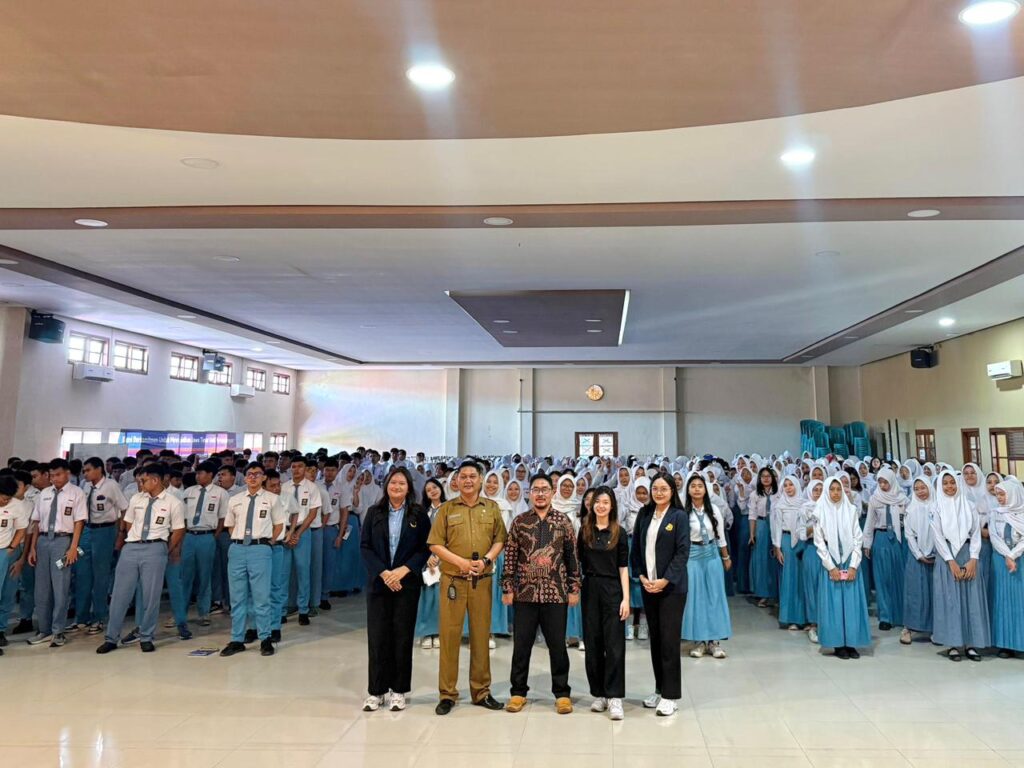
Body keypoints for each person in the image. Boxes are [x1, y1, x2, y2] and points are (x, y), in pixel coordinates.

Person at [427, 460, 507, 715]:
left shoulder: (491, 508)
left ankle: (481, 691)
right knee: (449, 637)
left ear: (480, 479)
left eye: (473, 476)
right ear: (456, 481)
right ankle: (447, 694)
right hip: (453, 582)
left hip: (481, 582)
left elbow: (500, 539)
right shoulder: (447, 509)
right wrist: (460, 562)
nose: (468, 480)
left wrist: (486, 561)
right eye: (463, 477)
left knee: (481, 637)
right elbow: (435, 544)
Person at [501, 472, 581, 715]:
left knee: (557, 646)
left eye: (545, 489)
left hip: (555, 593)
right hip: (525, 593)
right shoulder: (520, 522)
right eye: (536, 489)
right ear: (530, 493)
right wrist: (507, 587)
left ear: (552, 492)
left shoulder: (563, 522)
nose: (540, 494)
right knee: (521, 645)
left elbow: (572, 557)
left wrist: (574, 587)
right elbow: (511, 556)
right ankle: (518, 692)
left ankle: (562, 693)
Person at [360, 467, 431, 712]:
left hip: (406, 583)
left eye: (402, 483)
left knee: (402, 636)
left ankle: (398, 690)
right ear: (386, 485)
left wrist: (404, 570)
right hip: (379, 583)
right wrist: (384, 572)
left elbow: (425, 547)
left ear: (409, 487)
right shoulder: (374, 512)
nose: (397, 487)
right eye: (393, 482)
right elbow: (365, 547)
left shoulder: (418, 514)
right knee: (377, 636)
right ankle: (376, 690)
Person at [96, 465, 186, 654]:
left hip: (156, 547)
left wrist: (165, 549)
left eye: (143, 480)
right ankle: (111, 637)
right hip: (132, 547)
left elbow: (178, 529)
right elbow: (128, 522)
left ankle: (146, 636)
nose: (140, 484)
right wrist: (134, 539)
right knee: (120, 594)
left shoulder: (173, 502)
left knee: (151, 596)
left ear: (155, 480)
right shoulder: (137, 498)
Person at [630, 471, 689, 717]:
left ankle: (671, 695)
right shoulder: (644, 514)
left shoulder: (679, 516)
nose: (658, 493)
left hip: (671, 589)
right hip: (649, 586)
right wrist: (643, 577)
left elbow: (682, 552)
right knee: (655, 640)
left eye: (664, 489)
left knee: (669, 641)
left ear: (672, 491)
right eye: (655, 488)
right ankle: (659, 688)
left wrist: (665, 580)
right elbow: (636, 549)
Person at [218, 463, 287, 657]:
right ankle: (237, 639)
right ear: (245, 477)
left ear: (264, 477)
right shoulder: (235, 499)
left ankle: (265, 638)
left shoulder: (272, 499)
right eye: (249, 474)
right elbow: (230, 525)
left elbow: (279, 524)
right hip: (238, 549)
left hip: (260, 548)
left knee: (261, 596)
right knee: (237, 597)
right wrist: (240, 539)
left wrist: (268, 542)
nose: (253, 477)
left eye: (257, 474)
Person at [577, 486, 629, 720]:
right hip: (590, 589)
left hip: (613, 589)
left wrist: (626, 599)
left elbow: (623, 568)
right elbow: (578, 562)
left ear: (612, 506)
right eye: (597, 501)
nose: (601, 506)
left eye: (605, 502)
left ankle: (615, 696)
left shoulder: (619, 532)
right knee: (593, 643)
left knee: (614, 644)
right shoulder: (584, 531)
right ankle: (599, 693)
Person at [27, 458, 87, 647]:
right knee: (41, 588)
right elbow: (36, 522)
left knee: (60, 587)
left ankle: (58, 631)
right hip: (43, 541)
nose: (55, 479)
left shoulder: (76, 493)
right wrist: (32, 548)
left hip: (63, 541)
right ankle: (44, 629)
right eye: (51, 475)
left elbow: (79, 522)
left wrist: (73, 547)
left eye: (58, 474)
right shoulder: (44, 493)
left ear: (67, 473)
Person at [931, 470, 990, 661]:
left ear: (958, 484)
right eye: (945, 483)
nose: (949, 486)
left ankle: (971, 644)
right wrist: (950, 561)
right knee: (951, 600)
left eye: (952, 483)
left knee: (971, 599)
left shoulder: (969, 505)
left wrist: (973, 559)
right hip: (947, 557)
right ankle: (954, 644)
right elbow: (938, 537)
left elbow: (975, 534)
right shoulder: (936, 508)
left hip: (968, 554)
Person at [813, 476, 870, 659]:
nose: (836, 493)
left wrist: (853, 566)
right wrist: (831, 567)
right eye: (832, 489)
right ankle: (838, 645)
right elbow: (819, 542)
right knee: (834, 604)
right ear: (826, 491)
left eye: (839, 489)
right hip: (831, 563)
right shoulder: (819, 511)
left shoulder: (850, 510)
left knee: (851, 604)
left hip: (850, 561)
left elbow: (858, 539)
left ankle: (851, 643)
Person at [73, 457, 129, 635]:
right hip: (86, 531)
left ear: (99, 469)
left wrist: (121, 533)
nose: (85, 473)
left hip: (105, 531)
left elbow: (124, 509)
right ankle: (81, 618)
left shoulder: (111, 486)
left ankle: (99, 617)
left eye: (88, 470)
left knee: (100, 576)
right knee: (82, 574)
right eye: (84, 470)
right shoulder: (85, 485)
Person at [681, 474, 731, 659]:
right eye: (693, 486)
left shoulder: (714, 509)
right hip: (692, 557)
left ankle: (714, 642)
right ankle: (700, 641)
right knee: (696, 599)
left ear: (706, 489)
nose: (696, 489)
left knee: (714, 597)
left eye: (700, 486)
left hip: (711, 556)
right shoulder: (683, 512)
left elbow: (720, 536)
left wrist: (725, 557)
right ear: (688, 490)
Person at [176, 459, 229, 631]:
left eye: (200, 473)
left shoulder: (221, 493)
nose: (197, 476)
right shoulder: (188, 492)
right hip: (189, 536)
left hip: (207, 535)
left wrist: (215, 536)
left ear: (210, 475)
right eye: (197, 473)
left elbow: (223, 517)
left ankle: (204, 612)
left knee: (205, 574)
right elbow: (181, 516)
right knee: (185, 575)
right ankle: (180, 612)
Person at [863, 467, 908, 632]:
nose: (882, 485)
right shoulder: (875, 499)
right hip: (881, 538)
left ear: (892, 481)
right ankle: (885, 617)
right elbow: (869, 522)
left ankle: (901, 615)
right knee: (882, 579)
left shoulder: (902, 499)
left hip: (898, 539)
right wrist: (867, 543)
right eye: (880, 482)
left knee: (899, 577)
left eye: (885, 482)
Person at [281, 456, 322, 625]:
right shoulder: (283, 487)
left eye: (300, 466)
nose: (296, 469)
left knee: (303, 571)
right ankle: (282, 609)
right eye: (294, 466)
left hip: (303, 532)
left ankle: (303, 610)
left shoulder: (312, 488)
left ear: (305, 469)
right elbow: (278, 511)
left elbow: (312, 513)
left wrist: (297, 533)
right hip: (284, 532)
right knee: (283, 573)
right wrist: (287, 532)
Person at [990, 480, 1024, 658]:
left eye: (1003, 494)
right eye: (998, 494)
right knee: (1003, 601)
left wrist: (1014, 554)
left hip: (1020, 560)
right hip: (1001, 561)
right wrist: (1007, 555)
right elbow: (994, 536)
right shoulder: (995, 513)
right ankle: (1005, 644)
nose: (1000, 498)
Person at [900, 477, 936, 645]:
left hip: (937, 558)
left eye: (923, 487)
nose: (920, 491)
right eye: (917, 488)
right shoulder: (910, 510)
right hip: (916, 558)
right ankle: (908, 628)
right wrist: (919, 554)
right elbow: (909, 535)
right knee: (915, 593)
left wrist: (937, 552)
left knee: (935, 594)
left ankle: (935, 629)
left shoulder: (937, 507)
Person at [772, 475, 806, 630]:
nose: (788, 488)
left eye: (791, 484)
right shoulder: (780, 505)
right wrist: (778, 547)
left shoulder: (803, 503)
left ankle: (803, 617)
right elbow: (777, 527)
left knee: (802, 579)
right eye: (785, 485)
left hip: (802, 542)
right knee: (789, 578)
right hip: (786, 542)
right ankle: (790, 617)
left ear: (797, 485)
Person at [0, 476, 28, 656]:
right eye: (3, 498)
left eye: (8, 499)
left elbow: (21, 528)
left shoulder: (17, 506)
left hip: (5, 552)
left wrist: (12, 547)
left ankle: (1, 629)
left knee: (7, 592)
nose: (5, 501)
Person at [416, 478, 446, 648]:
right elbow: (419, 537)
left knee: (442, 598)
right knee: (427, 597)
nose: (433, 491)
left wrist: (441, 556)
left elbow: (453, 535)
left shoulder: (450, 509)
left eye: (435, 487)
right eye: (429, 490)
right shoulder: (422, 512)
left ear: (440, 488)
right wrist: (428, 556)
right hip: (428, 561)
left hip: (446, 559)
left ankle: (441, 632)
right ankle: (427, 633)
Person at [748, 467, 781, 608]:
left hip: (776, 525)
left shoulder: (779, 493)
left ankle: (775, 594)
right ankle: (763, 594)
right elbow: (752, 515)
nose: (766, 478)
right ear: (759, 479)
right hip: (761, 526)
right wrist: (752, 534)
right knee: (761, 560)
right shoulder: (755, 494)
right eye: (763, 476)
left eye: (769, 476)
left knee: (775, 559)